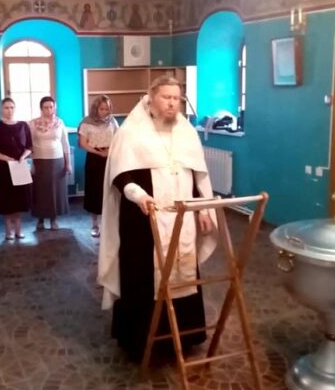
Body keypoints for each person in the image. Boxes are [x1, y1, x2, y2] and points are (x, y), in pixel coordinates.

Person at [97, 76, 217, 359]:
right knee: (144, 277)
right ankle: (141, 340)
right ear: (151, 98)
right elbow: (120, 175)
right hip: (143, 220)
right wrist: (138, 195)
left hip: (182, 219)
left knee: (183, 271)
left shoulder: (186, 132)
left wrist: (203, 208)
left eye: (177, 98)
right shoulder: (131, 132)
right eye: (166, 97)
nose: (172, 103)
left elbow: (197, 175)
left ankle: (185, 336)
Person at [0, 98, 33, 240]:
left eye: (12, 107)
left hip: (19, 166)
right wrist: (7, 159)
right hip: (3, 169)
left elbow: (29, 146)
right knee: (6, 201)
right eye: (6, 107)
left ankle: (19, 230)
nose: (9, 110)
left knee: (19, 200)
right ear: (1, 109)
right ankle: (8, 231)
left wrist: (23, 157)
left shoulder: (23, 126)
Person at [78, 95, 118, 237]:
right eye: (102, 109)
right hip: (94, 159)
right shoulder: (86, 122)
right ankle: (95, 224)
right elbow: (82, 143)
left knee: (110, 189)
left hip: (110, 157)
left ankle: (109, 224)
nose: (105, 112)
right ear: (96, 108)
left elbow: (118, 138)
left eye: (107, 109)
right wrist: (98, 152)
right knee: (95, 191)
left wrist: (110, 151)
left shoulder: (112, 121)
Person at [30, 96, 70, 231]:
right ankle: (40, 220)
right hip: (39, 161)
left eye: (51, 107)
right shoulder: (33, 123)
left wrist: (68, 163)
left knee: (55, 192)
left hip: (57, 161)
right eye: (46, 107)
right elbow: (29, 144)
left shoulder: (60, 122)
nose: (49, 110)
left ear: (55, 108)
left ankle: (54, 220)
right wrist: (31, 162)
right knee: (40, 191)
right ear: (41, 109)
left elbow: (65, 143)